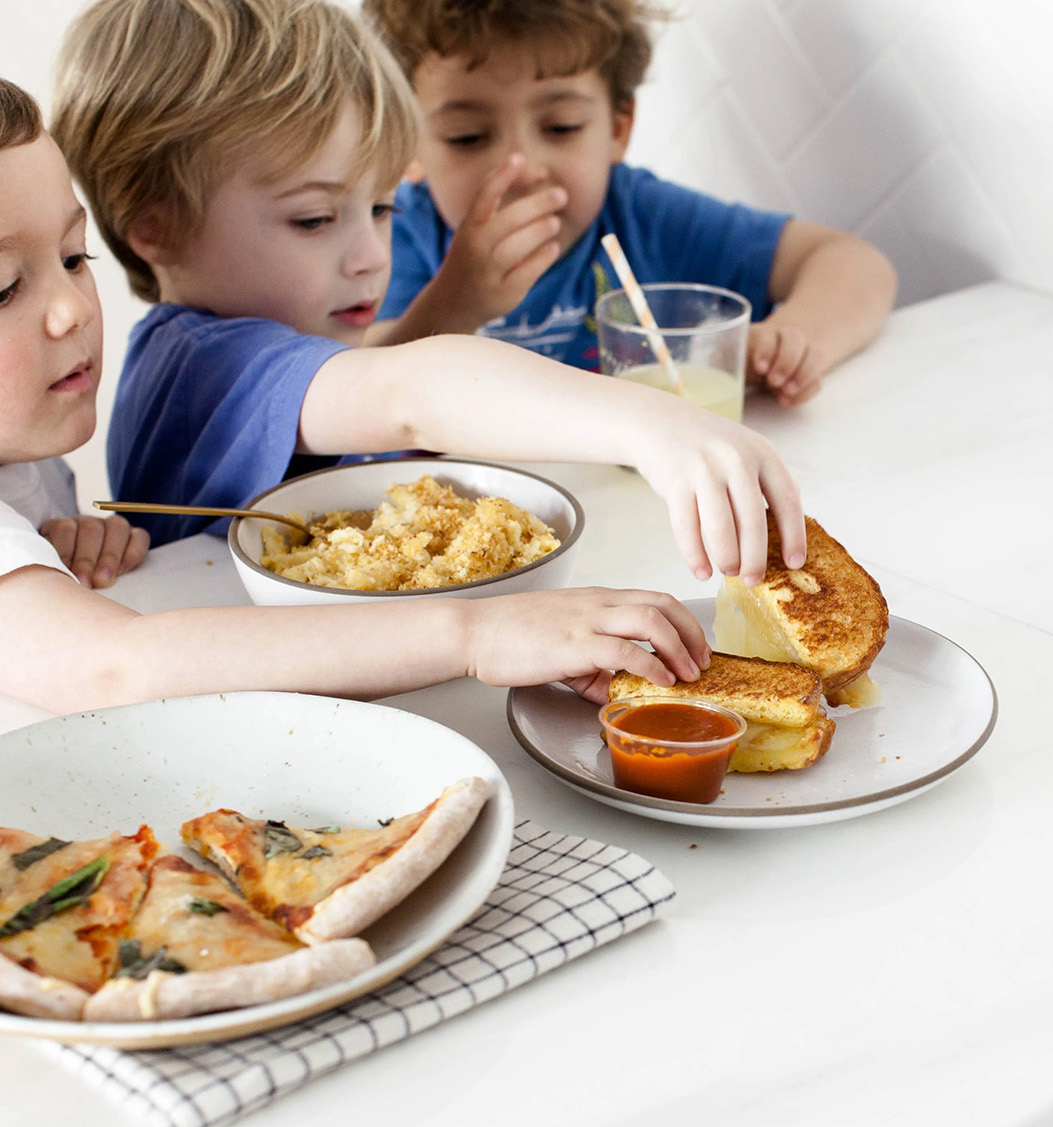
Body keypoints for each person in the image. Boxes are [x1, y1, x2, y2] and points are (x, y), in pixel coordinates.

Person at [0, 75, 711, 715]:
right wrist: (478, 632)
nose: (76, 311)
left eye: (73, 259)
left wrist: (48, 548)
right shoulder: (200, 360)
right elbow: (114, 667)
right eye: (3, 287)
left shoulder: (24, 456)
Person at [52, 0, 803, 586]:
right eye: (315, 219)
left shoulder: (292, 347)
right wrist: (650, 423)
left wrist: (457, 305)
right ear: (156, 227)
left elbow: (375, 379)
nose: (369, 257)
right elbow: (407, 390)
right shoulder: (200, 366)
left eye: (380, 209)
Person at [360, 0, 896, 407]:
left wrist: (791, 340)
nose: (522, 167)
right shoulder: (392, 236)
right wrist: (457, 302)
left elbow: (851, 263)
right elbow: (344, 387)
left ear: (618, 129)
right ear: (408, 144)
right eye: (468, 136)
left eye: (562, 127)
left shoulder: (639, 216)